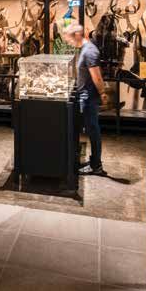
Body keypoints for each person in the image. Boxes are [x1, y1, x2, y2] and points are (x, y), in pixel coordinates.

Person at [64, 22, 107, 176]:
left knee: (93, 130)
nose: (68, 41)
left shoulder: (89, 51)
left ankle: (96, 166)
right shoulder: (85, 49)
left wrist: (102, 93)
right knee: (90, 129)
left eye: (69, 38)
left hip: (89, 98)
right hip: (85, 97)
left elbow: (97, 76)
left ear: (77, 35)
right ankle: (94, 161)